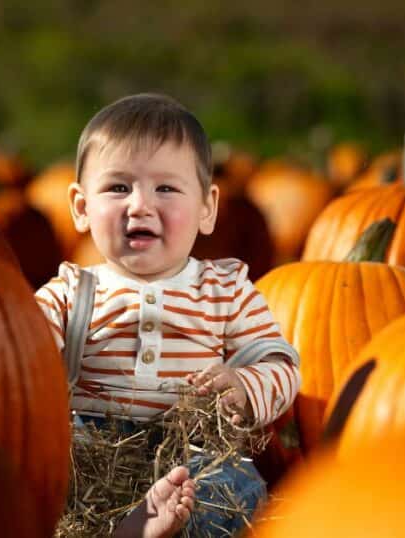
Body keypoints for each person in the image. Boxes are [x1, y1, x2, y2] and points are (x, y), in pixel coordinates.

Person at [36, 93, 301, 537]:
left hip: (192, 453)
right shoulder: (72, 292)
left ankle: (162, 522)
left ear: (207, 208)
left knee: (235, 486)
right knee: (42, 479)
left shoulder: (226, 289)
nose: (140, 205)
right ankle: (131, 527)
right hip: (89, 455)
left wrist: (243, 385)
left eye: (166, 188)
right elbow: (20, 350)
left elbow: (281, 367)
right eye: (118, 187)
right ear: (81, 208)